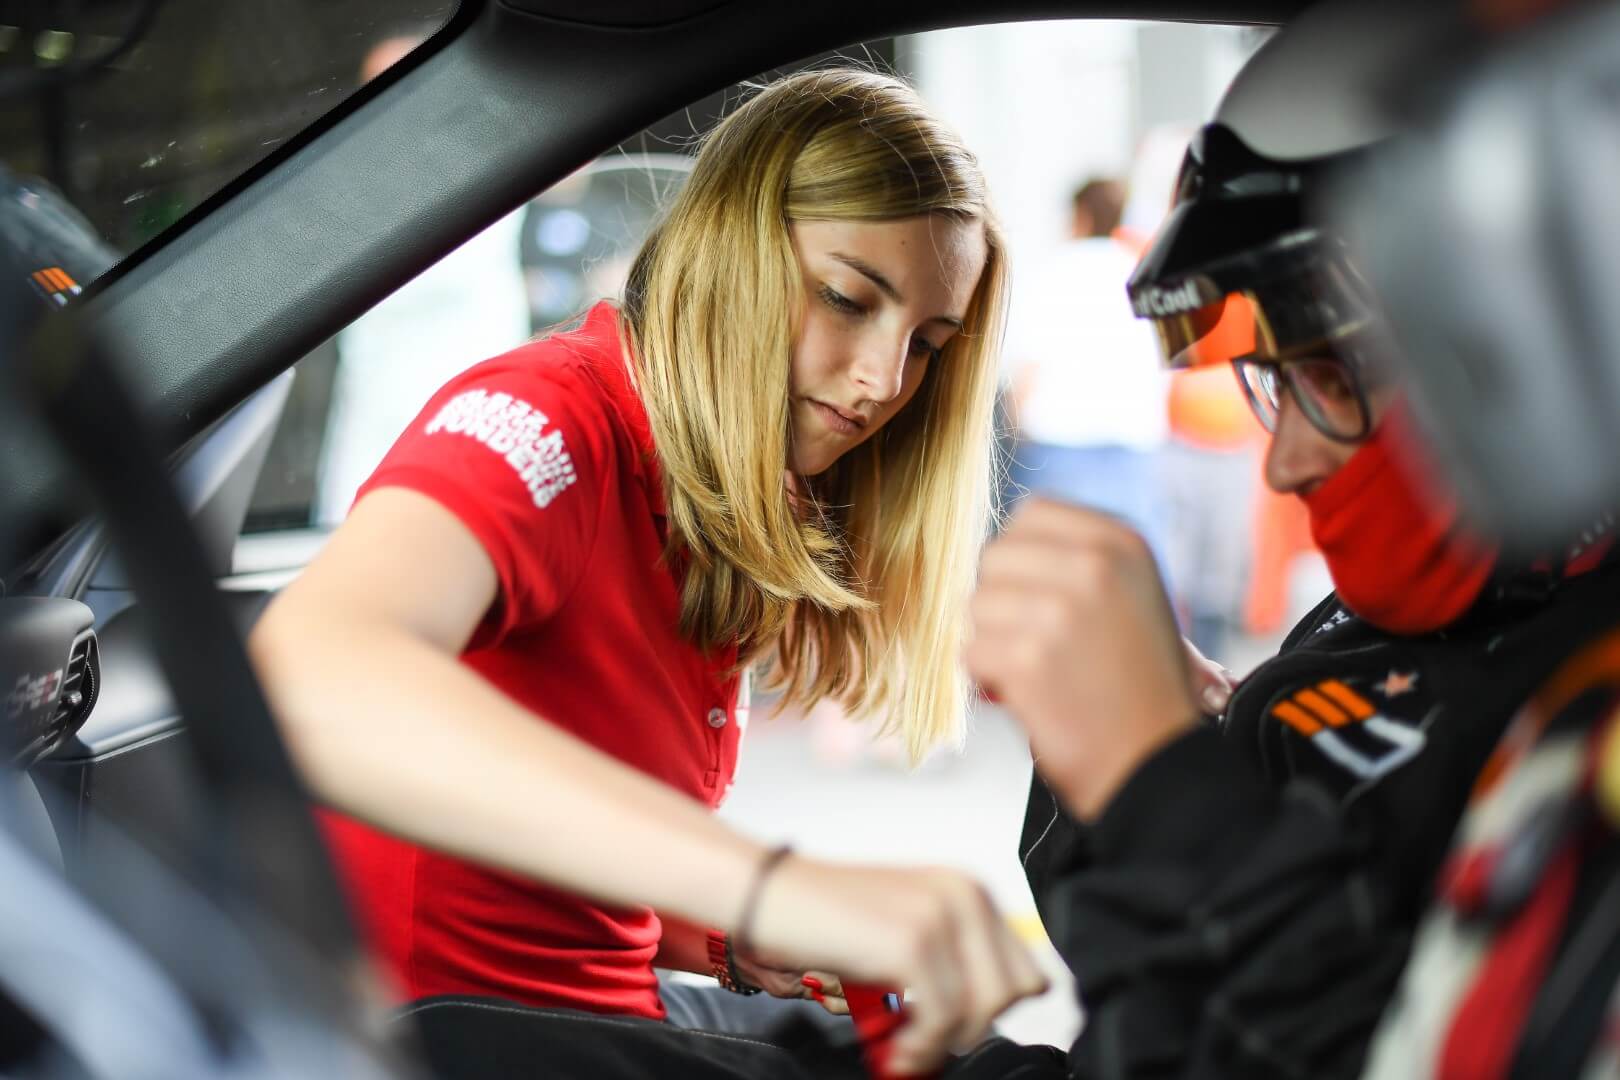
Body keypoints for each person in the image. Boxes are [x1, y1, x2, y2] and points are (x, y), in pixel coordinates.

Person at [249, 67, 1045, 1077]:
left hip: (604, 1014)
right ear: (730, 251)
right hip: (458, 1040)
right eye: (848, 298)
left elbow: (536, 869)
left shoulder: (728, 485)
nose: (885, 382)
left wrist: (727, 935)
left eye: (928, 345)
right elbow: (309, 678)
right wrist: (770, 885)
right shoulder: (552, 420)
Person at [957, 6, 1620, 1077]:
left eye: (1330, 374)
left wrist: (1159, 788)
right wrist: (1130, 757)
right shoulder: (1432, 635)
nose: (1286, 462)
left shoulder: (1579, 723)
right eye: (1278, 382)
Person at [1000, 176, 1171, 576]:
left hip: (1059, 451)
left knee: (1042, 576)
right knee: (1127, 581)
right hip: (1132, 451)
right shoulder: (1141, 273)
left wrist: (1011, 431)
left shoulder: (1054, 269)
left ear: (1080, 215)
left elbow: (1028, 366)